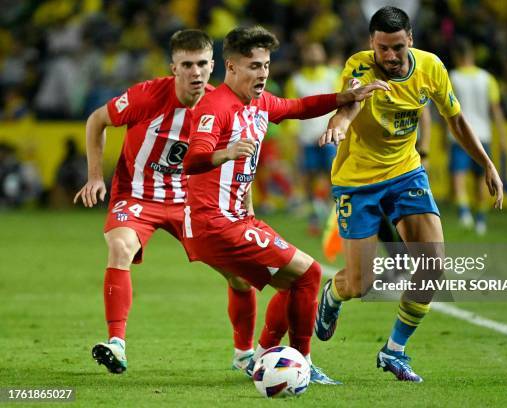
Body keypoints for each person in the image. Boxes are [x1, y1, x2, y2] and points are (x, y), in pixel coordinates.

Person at [181, 25, 389, 384]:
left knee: (293, 284)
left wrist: (345, 97)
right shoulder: (217, 108)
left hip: (231, 218)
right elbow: (193, 159)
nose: (262, 73)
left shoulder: (260, 103)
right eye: (253, 66)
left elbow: (299, 106)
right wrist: (225, 153)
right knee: (308, 274)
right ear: (230, 67)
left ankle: (263, 358)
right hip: (215, 222)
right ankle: (301, 364)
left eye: (265, 65)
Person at [315, 6, 503, 382]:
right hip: (358, 180)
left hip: (405, 173)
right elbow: (348, 107)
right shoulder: (359, 67)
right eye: (383, 48)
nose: (390, 56)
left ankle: (394, 351)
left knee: (433, 266)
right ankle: (332, 296)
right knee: (359, 284)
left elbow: (456, 120)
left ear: (410, 41)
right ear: (372, 44)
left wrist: (487, 164)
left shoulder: (431, 68)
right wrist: (337, 124)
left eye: (397, 47)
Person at [73, 29, 258, 374]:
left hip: (192, 200)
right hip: (138, 195)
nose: (196, 72)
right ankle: (117, 344)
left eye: (202, 63)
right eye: (186, 64)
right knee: (120, 247)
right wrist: (96, 175)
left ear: (213, 65)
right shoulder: (146, 96)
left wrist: (244, 201)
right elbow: (96, 120)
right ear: (173, 67)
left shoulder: (220, 105)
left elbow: (238, 156)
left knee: (240, 275)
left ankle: (245, 355)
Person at [448, 38, 507, 235]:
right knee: (481, 179)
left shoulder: (453, 77)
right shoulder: (487, 78)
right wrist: (503, 136)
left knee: (458, 177)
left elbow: (446, 109)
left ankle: (465, 214)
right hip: (483, 134)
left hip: (460, 135)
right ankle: (481, 220)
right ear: (472, 55)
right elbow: (496, 110)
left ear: (457, 56)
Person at [285, 42, 341, 234]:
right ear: (303, 55)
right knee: (308, 178)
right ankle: (316, 213)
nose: (314, 54)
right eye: (309, 50)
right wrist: (294, 139)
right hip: (306, 138)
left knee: (333, 175)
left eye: (317, 50)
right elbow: (291, 112)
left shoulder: (332, 76)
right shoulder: (296, 80)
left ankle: (336, 215)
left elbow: (341, 105)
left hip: (329, 136)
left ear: (323, 53)